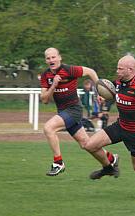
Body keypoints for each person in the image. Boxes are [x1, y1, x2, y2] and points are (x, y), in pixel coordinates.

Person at [84, 55, 135, 199]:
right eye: (117, 68)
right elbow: (112, 93)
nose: (117, 71)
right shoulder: (118, 83)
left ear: (130, 70)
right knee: (90, 145)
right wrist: (104, 98)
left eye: (120, 68)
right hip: (121, 126)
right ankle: (109, 165)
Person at [40, 47, 119, 177]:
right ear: (46, 61)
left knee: (49, 128)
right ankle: (111, 159)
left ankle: (58, 163)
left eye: (53, 57)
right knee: (87, 145)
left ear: (59, 57)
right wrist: (53, 85)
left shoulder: (69, 70)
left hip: (73, 110)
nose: (51, 60)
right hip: (63, 112)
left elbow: (91, 72)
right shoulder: (46, 75)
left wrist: (99, 90)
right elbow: (44, 99)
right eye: (48, 58)